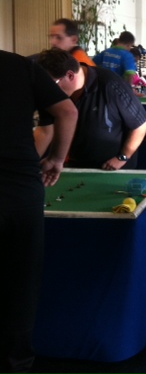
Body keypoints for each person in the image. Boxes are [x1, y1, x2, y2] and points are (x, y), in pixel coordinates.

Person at [1, 50, 77, 374]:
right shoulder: (18, 65)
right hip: (20, 188)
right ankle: (16, 363)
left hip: (20, 185)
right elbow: (67, 112)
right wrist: (58, 159)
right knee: (22, 282)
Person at [35, 48, 146, 170]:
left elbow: (141, 124)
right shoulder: (52, 94)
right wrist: (28, 164)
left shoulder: (111, 84)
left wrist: (123, 157)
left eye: (52, 85)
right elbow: (44, 130)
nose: (48, 91)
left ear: (69, 75)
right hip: (76, 164)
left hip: (112, 167)